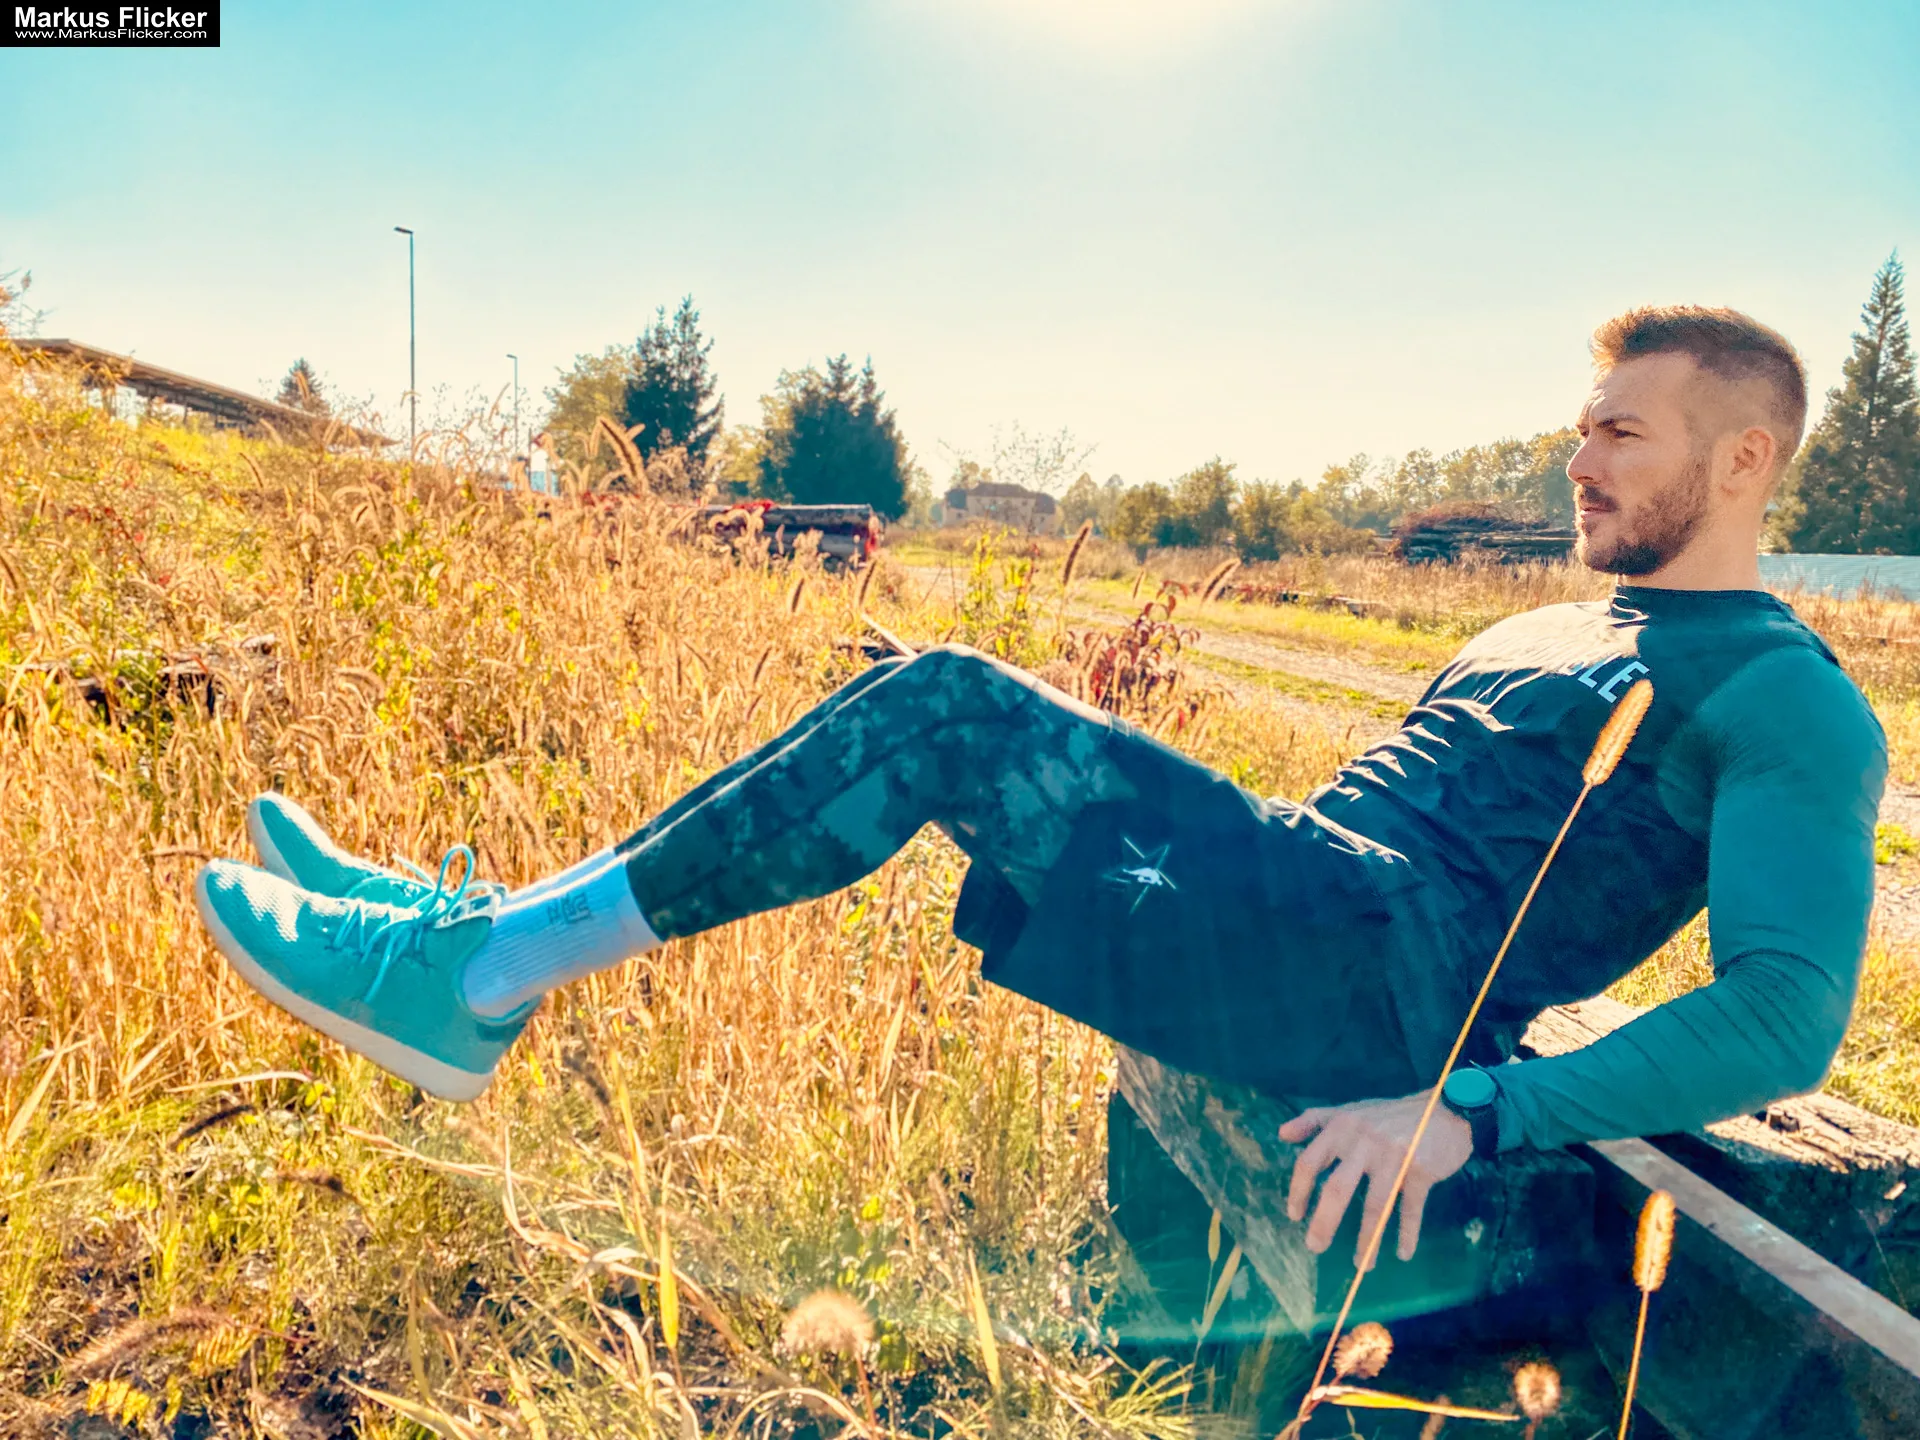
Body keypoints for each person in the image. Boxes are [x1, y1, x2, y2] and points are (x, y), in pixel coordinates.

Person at [194, 306, 1885, 1265]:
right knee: (905, 698)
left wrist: (1472, 1112)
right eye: (1583, 427)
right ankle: (485, 933)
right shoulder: (1545, 621)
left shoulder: (1788, 698)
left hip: (1392, 993)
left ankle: (476, 980)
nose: (1577, 461)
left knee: (946, 703)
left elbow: (1788, 1015)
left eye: (1623, 436)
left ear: (1744, 461)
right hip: (1312, 900)